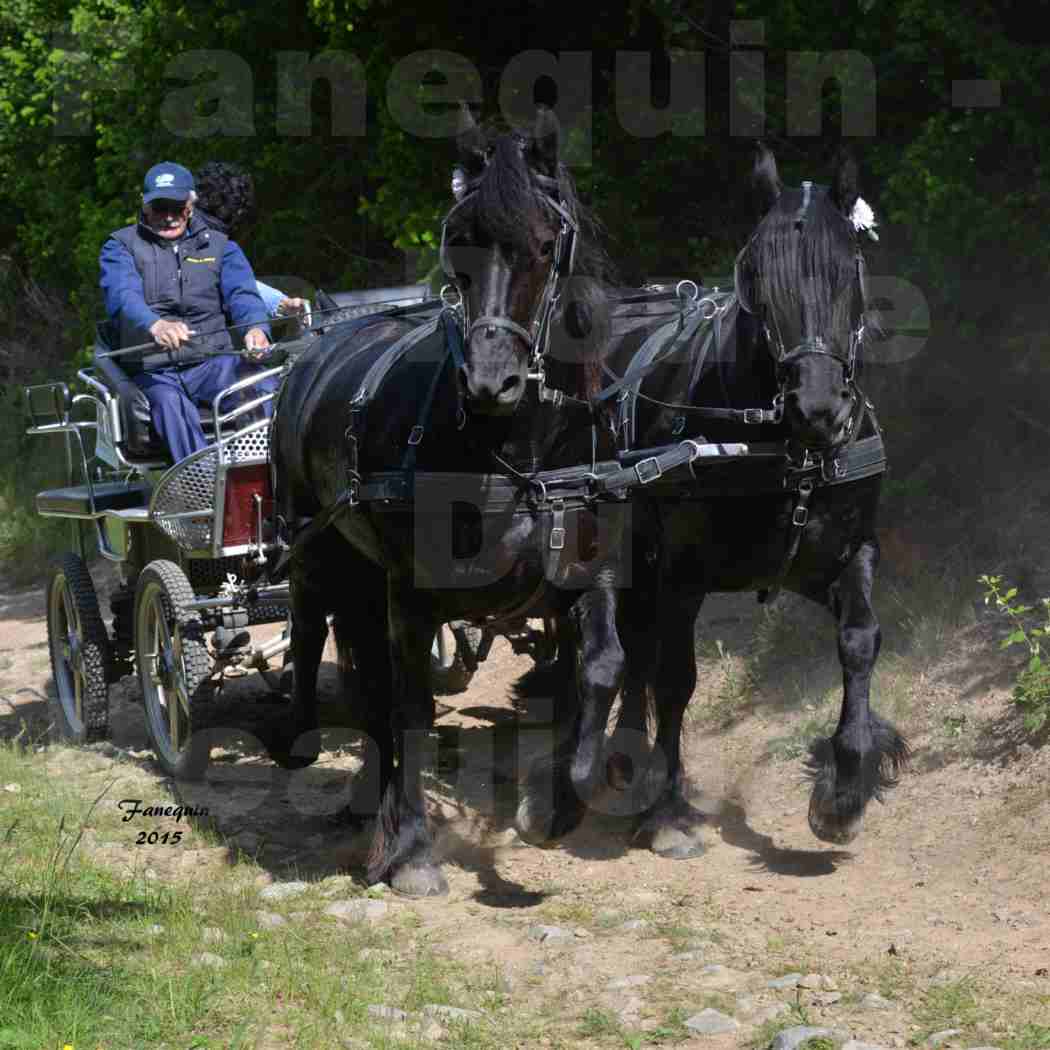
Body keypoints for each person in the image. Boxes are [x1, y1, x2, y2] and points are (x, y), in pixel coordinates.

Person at [99, 161, 277, 462]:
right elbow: (122, 297)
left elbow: (244, 296)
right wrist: (155, 325)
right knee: (170, 405)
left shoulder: (222, 247)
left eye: (177, 207)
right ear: (144, 207)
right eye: (159, 208)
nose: (168, 217)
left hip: (211, 362)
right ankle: (204, 488)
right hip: (154, 370)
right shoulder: (120, 247)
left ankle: (263, 474)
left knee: (262, 384)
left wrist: (256, 329)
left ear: (191, 206)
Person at [193, 161, 308, 321]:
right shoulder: (210, 241)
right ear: (238, 211)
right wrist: (281, 303)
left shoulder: (196, 232)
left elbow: (231, 278)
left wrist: (279, 303)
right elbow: (226, 280)